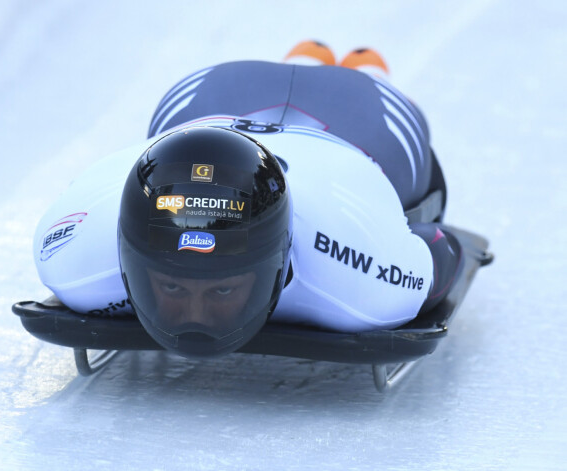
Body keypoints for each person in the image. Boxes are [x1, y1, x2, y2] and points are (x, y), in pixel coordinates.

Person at [33, 41, 462, 358]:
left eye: (221, 289)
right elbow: (441, 251)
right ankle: (335, 62)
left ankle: (354, 68)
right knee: (363, 82)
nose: (194, 317)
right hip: (304, 111)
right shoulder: (73, 256)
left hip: (333, 115)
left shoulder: (363, 280)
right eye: (171, 285)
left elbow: (442, 250)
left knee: (390, 116)